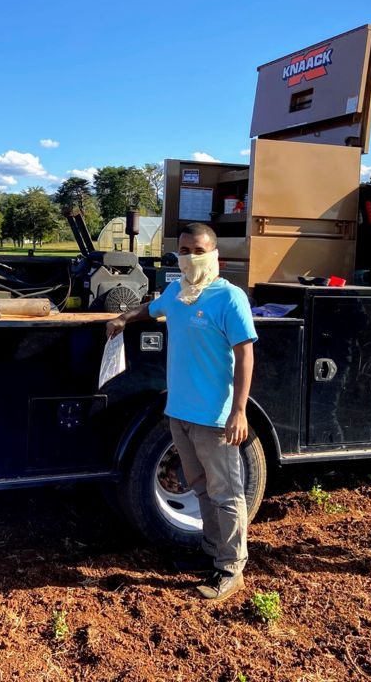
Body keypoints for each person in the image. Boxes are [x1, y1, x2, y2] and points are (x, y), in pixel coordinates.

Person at [106, 222, 258, 601]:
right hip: (180, 414)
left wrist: (239, 411)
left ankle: (230, 567)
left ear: (215, 254)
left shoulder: (229, 297)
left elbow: (245, 356)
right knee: (202, 488)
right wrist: (124, 318)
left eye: (198, 250)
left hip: (216, 418)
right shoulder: (178, 292)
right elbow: (151, 309)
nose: (191, 257)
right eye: (185, 250)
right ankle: (211, 554)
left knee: (227, 493)